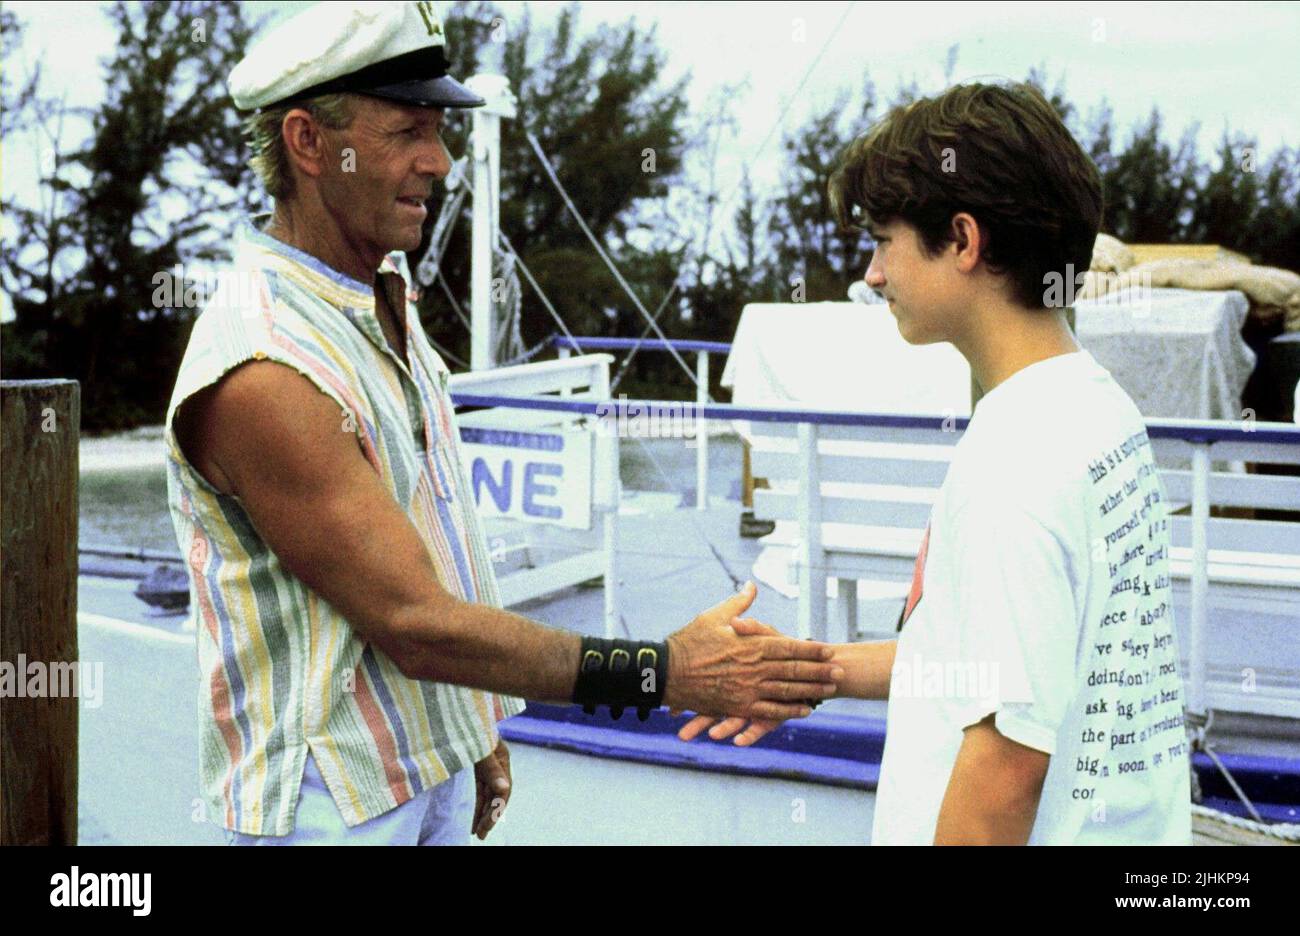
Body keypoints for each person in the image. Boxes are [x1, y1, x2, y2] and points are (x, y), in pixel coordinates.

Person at [165, 1, 839, 846]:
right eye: (408, 131)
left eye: (439, 132)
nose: (438, 163)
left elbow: (432, 541)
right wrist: (665, 673)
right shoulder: (265, 364)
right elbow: (411, 620)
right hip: (329, 806)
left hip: (418, 768)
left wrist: (471, 731)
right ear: (308, 143)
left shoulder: (375, 299)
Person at [681, 81, 1193, 846]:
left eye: (884, 240)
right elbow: (1003, 664)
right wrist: (808, 672)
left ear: (962, 240)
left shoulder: (1015, 464)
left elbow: (1005, 774)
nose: (875, 274)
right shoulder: (1096, 409)